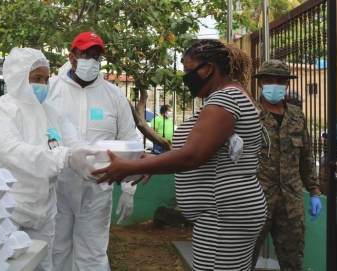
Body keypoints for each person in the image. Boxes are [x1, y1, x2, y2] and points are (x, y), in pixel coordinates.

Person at [93, 39, 268, 270]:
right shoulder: (233, 95)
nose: (186, 78)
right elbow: (205, 152)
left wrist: (130, 168)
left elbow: (191, 156)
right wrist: (153, 162)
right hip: (224, 213)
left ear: (208, 68)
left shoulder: (225, 99)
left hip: (223, 214)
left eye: (188, 70)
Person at [0, 47, 99, 271]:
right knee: (5, 265)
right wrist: (66, 157)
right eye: (36, 78)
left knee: (42, 265)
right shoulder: (0, 113)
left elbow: (72, 139)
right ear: (19, 78)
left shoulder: (50, 111)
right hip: (6, 210)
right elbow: (17, 153)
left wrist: (90, 156)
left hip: (42, 210)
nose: (42, 85)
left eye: (45, 79)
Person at [47, 31, 141, 271]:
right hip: (57, 186)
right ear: (72, 56)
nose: (92, 60)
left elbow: (130, 140)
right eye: (86, 54)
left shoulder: (114, 95)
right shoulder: (50, 89)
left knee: (93, 254)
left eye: (97, 56)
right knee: (55, 251)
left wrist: (130, 188)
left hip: (98, 188)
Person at [250, 59, 322, 270]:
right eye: (269, 80)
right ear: (261, 82)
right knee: (243, 259)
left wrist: (315, 191)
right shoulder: (249, 113)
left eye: (280, 81)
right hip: (255, 199)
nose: (275, 84)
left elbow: (306, 156)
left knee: (292, 261)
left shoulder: (297, 116)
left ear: (287, 84)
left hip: (290, 203)